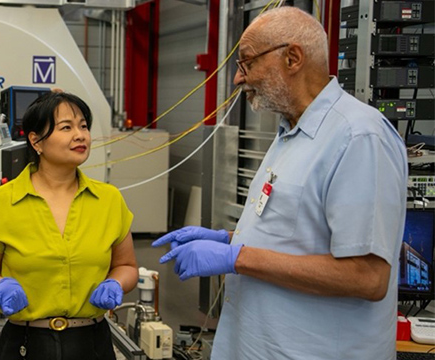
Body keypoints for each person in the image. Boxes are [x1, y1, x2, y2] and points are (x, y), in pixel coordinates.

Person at [152, 7, 407, 360]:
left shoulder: (359, 137)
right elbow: (298, 237)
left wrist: (237, 257)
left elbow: (366, 277)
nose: (239, 79)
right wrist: (228, 240)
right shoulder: (292, 132)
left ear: (292, 57)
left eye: (247, 63)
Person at [0, 92, 138, 360]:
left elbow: (126, 266)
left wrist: (116, 283)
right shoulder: (2, 202)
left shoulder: (109, 200)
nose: (80, 135)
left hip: (92, 343)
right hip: (25, 343)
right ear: (36, 141)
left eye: (83, 126)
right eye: (66, 127)